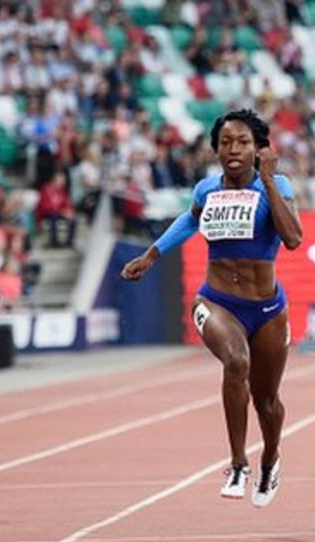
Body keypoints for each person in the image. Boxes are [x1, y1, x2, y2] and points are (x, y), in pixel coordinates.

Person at [121, 109, 303, 508]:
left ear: (258, 149)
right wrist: (151, 256)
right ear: (216, 149)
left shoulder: (276, 185)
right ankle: (238, 463)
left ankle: (270, 461)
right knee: (236, 362)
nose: (233, 149)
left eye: (242, 142)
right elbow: (189, 222)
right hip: (217, 301)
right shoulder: (206, 190)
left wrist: (269, 180)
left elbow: (292, 238)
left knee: (267, 401)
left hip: (269, 308)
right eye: (225, 143)